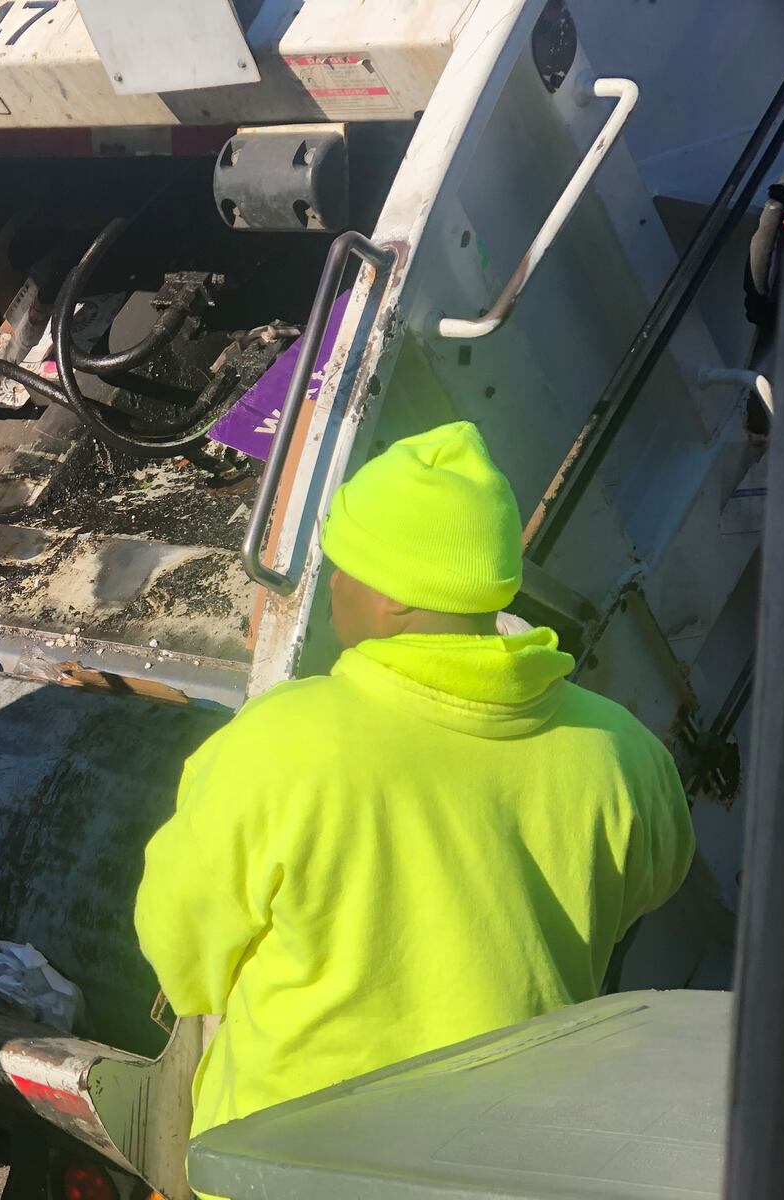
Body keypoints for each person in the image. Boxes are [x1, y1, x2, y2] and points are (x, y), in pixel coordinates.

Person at [134, 420, 694, 1142]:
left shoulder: (278, 745)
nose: (331, 583)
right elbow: (653, 883)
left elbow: (182, 956)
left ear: (398, 598)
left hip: (290, 1169)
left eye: (343, 564)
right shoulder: (623, 752)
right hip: (501, 1166)